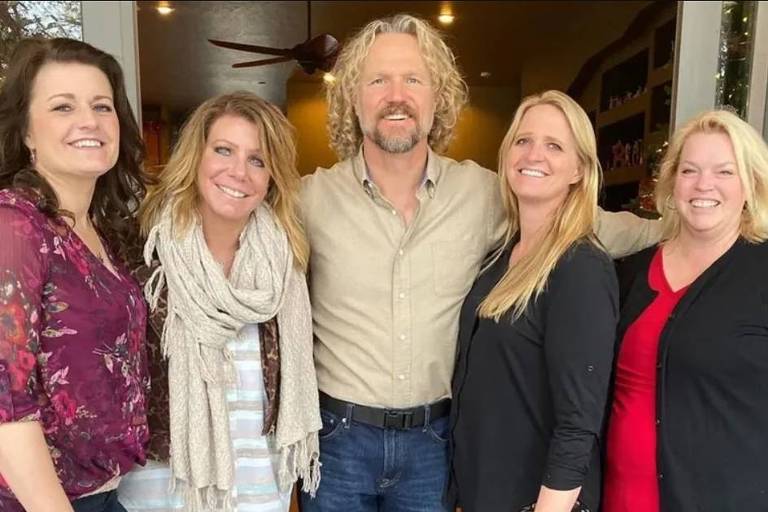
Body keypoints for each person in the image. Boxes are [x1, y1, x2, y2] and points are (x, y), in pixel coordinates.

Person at [299, 14, 659, 511]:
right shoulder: (309, 200)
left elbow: (587, 222)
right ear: (353, 98)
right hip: (337, 440)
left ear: (437, 97)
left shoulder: (483, 193)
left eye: (413, 79)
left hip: (434, 444)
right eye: (378, 80)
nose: (396, 95)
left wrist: (690, 228)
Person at [117, 91, 321, 512]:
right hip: (162, 487)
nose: (238, 172)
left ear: (272, 178)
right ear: (197, 156)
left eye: (257, 160)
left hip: (260, 487)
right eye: (224, 150)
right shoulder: (142, 255)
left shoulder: (285, 263)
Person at [447, 90, 618, 512]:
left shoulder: (580, 267)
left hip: (536, 500)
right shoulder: (499, 259)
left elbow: (579, 422)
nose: (534, 155)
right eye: (523, 140)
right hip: (484, 492)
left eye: (554, 146)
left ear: (579, 170)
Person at [0, 38, 151, 512]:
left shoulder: (99, 232)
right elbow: (6, 405)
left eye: (102, 106)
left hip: (102, 495)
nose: (89, 121)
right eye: (63, 107)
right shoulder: (15, 226)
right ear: (26, 131)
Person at [602, 110, 768, 511]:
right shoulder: (630, 272)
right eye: (690, 170)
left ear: (751, 183)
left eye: (724, 172)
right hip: (619, 498)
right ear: (672, 180)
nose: (703, 184)